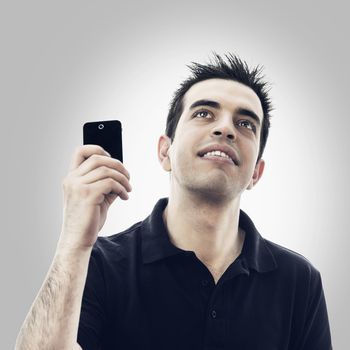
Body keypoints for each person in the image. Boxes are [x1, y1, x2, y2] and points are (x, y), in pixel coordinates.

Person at [15, 53, 332, 349]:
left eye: (246, 123)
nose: (225, 128)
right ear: (165, 152)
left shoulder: (300, 282)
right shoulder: (97, 264)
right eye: (204, 113)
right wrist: (74, 244)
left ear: (256, 174)